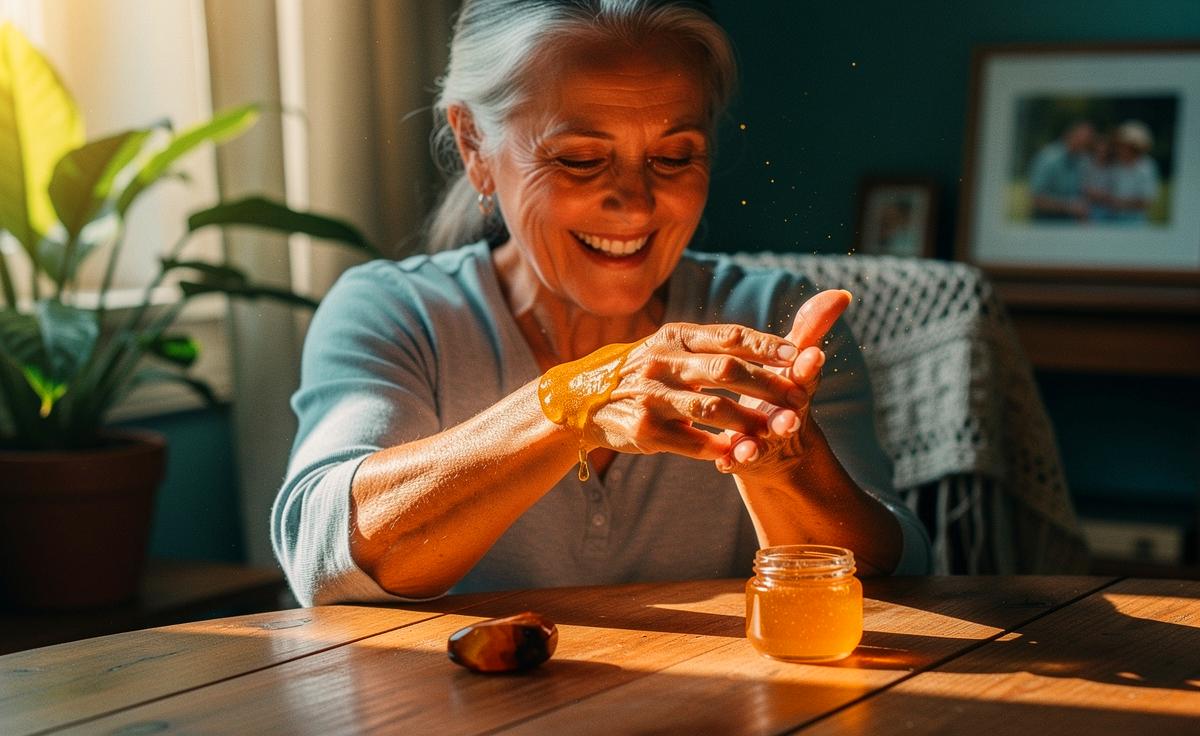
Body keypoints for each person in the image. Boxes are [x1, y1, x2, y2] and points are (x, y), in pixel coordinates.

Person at [273, 0, 932, 607]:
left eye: (675, 157)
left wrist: (786, 464)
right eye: (582, 159)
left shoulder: (773, 318)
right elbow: (322, 558)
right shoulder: (396, 311)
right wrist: (575, 401)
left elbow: (902, 587)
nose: (638, 203)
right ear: (474, 145)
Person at [1028, 121, 1094, 221]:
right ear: (1070, 136)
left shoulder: (1082, 160)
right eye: (1083, 141)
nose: (1085, 147)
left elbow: (1083, 194)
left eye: (1087, 143)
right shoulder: (1048, 157)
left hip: (1070, 224)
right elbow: (1036, 199)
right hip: (1046, 223)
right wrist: (1069, 207)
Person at [1106, 120, 1161, 225]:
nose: (1118, 149)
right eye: (1118, 145)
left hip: (1135, 221)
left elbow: (1147, 201)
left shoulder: (1146, 167)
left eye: (1122, 145)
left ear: (1133, 147)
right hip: (1111, 218)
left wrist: (1121, 203)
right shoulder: (1115, 164)